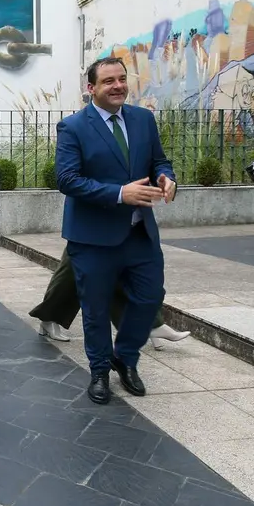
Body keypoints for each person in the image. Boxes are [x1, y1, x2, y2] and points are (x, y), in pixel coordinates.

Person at [55, 56, 176, 405]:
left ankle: (124, 356)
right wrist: (121, 193)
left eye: (122, 79)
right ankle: (98, 372)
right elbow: (67, 179)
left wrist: (168, 179)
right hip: (92, 238)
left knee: (151, 296)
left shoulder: (143, 120)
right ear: (91, 88)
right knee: (95, 308)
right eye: (108, 81)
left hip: (139, 234)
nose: (118, 86)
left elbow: (158, 162)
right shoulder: (73, 127)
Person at [30, 248, 190, 348]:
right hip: (95, 207)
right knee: (77, 262)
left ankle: (149, 324)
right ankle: (149, 325)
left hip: (123, 209)